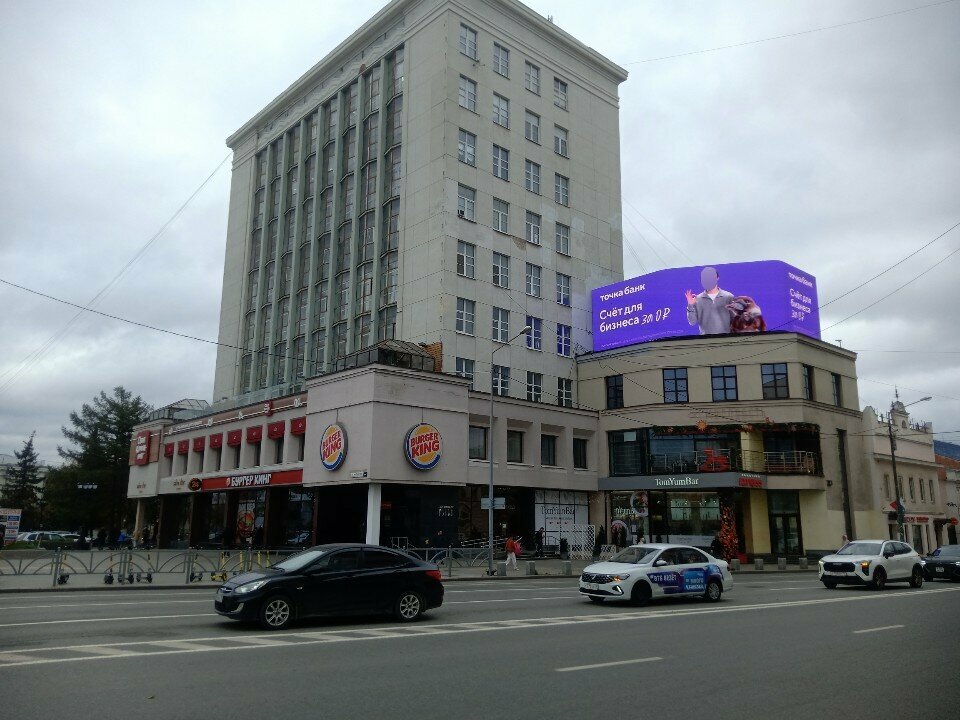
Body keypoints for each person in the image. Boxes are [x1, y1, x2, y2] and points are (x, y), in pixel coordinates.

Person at [685, 266, 735, 335]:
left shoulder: (728, 297)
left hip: (726, 338)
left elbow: (735, 320)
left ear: (717, 278)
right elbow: (692, 322)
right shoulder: (697, 299)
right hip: (706, 339)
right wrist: (690, 305)